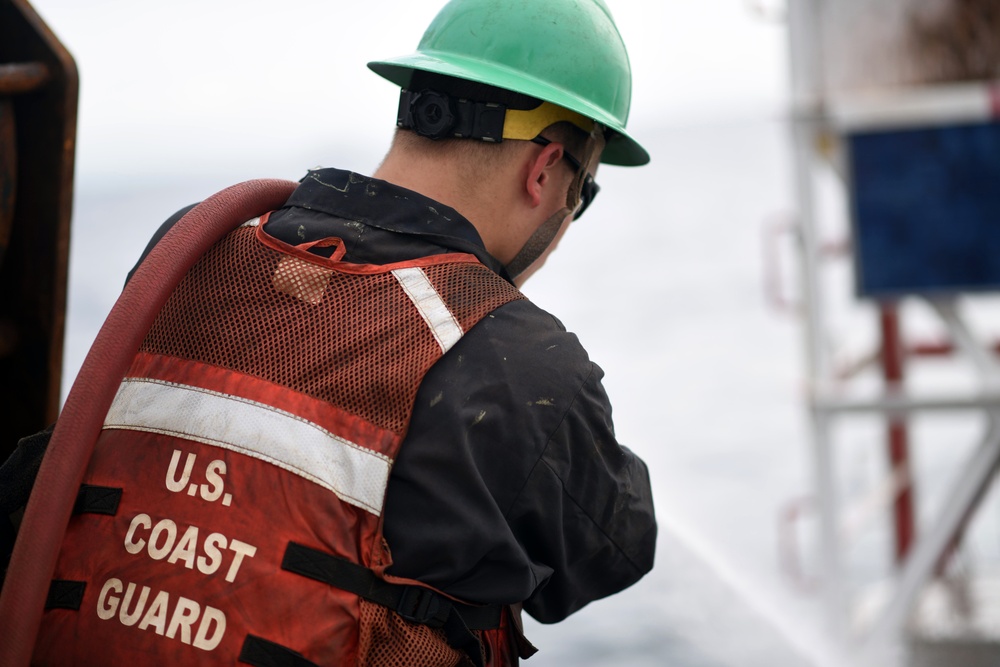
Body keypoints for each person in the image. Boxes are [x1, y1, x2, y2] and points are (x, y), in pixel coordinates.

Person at [1, 0, 656, 664]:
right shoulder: (520, 361)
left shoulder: (194, 247)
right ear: (544, 170)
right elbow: (613, 549)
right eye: (585, 192)